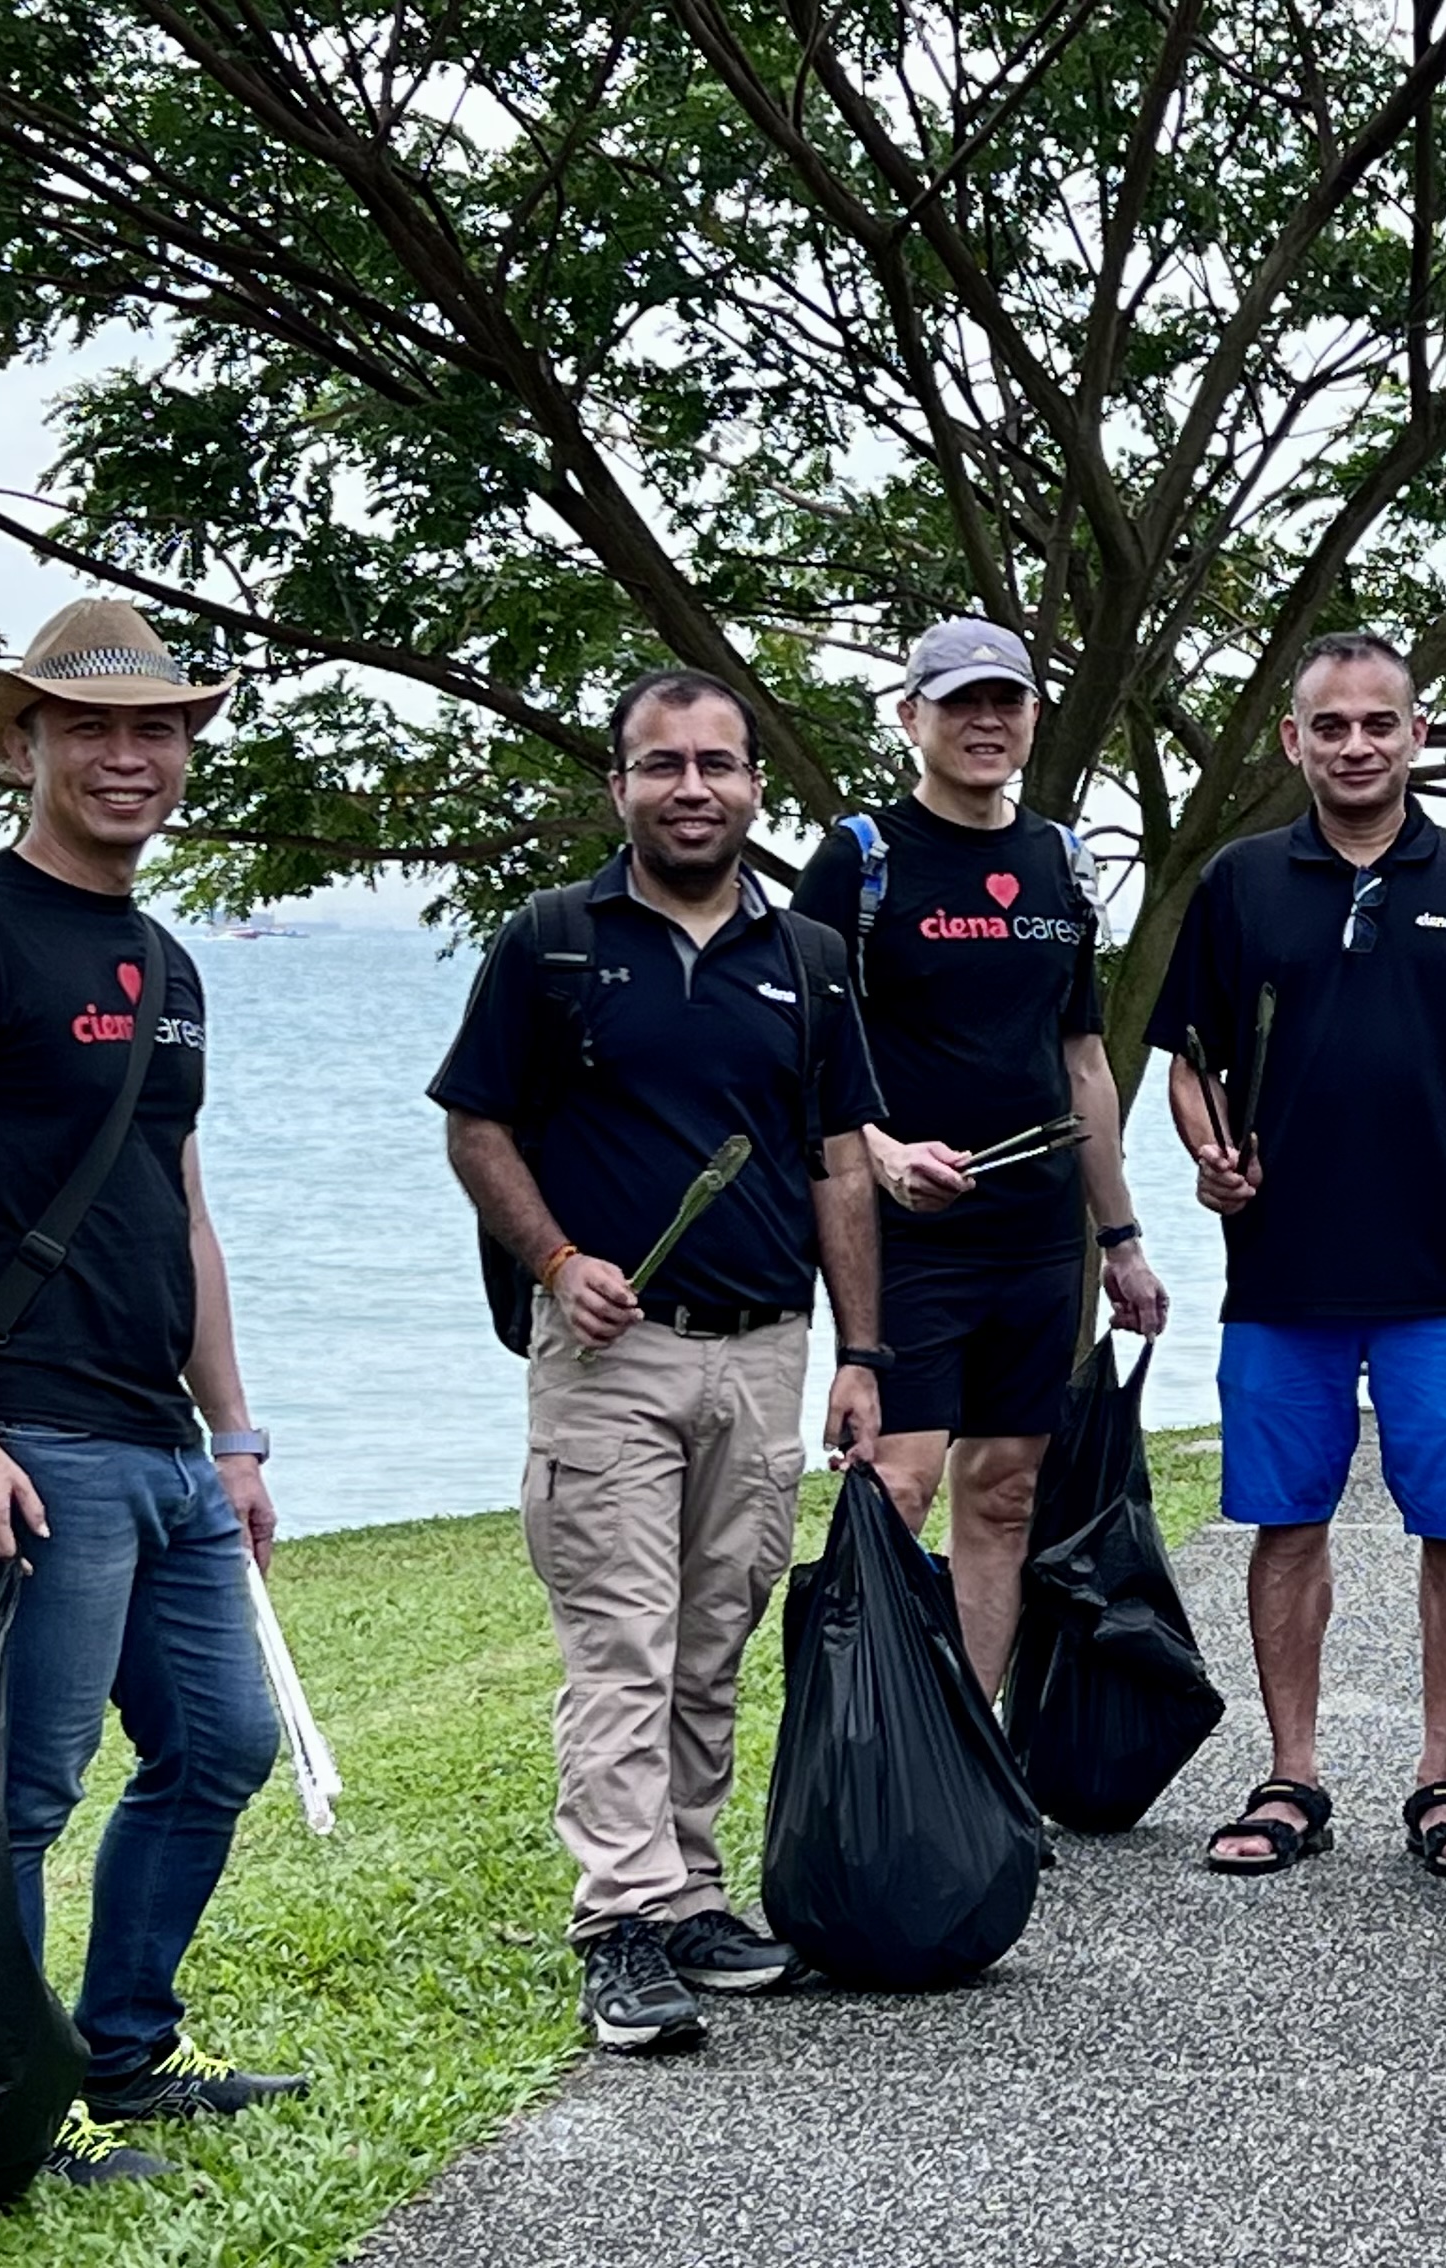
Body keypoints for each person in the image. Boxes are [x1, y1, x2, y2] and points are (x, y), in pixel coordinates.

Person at [0, 597, 303, 2186]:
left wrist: (236, 1430)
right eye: (93, 728)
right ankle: (10, 2094)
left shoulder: (167, 962)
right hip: (33, 1433)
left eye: (157, 729)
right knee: (26, 1794)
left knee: (218, 1748)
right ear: (29, 746)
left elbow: (181, 1210)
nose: (130, 756)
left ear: (185, 749)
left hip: (166, 1445)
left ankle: (125, 2052)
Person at [430, 667, 889, 2052]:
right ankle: (619, 1924)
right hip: (610, 1359)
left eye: (718, 765)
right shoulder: (554, 943)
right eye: (661, 765)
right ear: (618, 785)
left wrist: (859, 1352)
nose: (692, 788)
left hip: (761, 1353)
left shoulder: (808, 959)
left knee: (713, 1640)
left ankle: (690, 1892)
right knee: (620, 1643)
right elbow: (476, 1129)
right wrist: (559, 1262)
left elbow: (838, 1168)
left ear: (756, 787)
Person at [1150, 631, 1446, 1881]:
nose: (1354, 745)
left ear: (1415, 733)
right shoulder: (1239, 882)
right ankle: (1293, 1777)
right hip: (1284, 1273)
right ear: (1294, 740)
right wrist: (1211, 1154)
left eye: (1377, 723)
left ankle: (1444, 1783)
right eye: (1329, 726)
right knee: (1288, 1524)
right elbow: (1187, 1062)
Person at [793, 619, 1167, 1690]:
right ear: (913, 718)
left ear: (1033, 719)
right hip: (907, 1239)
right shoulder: (861, 858)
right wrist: (883, 1149)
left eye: (1005, 703)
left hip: (1038, 1239)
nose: (985, 722)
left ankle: (970, 1762)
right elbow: (802, 1053)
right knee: (899, 1484)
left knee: (1005, 1492)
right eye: (960, 704)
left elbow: (1084, 1063)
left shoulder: (1059, 861)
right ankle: (875, 1740)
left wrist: (1124, 1240)